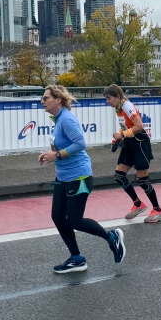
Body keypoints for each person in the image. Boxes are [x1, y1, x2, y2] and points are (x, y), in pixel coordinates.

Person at [38, 85, 126, 273]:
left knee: (74, 220)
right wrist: (50, 154)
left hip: (79, 176)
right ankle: (77, 259)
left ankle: (112, 238)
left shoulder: (66, 119)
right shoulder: (58, 119)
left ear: (58, 100)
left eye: (46, 98)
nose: (42, 101)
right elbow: (64, 146)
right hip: (63, 176)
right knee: (57, 217)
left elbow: (80, 144)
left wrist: (57, 155)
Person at [104, 84, 161, 223]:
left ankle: (158, 209)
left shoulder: (127, 106)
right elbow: (126, 126)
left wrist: (122, 134)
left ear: (117, 96)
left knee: (142, 180)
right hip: (129, 142)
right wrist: (119, 135)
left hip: (140, 143)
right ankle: (138, 204)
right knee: (119, 176)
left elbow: (139, 126)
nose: (107, 102)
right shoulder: (119, 107)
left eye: (109, 98)